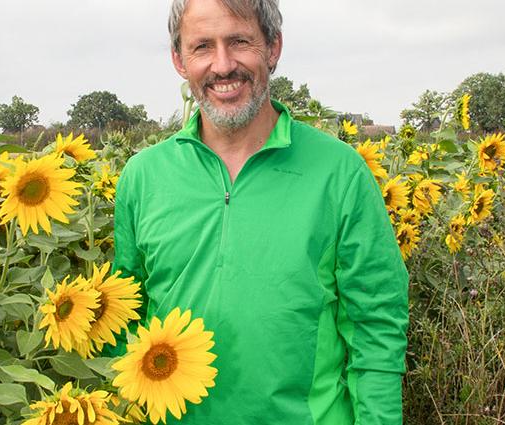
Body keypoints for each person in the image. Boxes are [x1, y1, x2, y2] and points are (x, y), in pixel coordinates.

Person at [112, 0, 409, 423]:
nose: (223, 64)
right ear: (179, 60)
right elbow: (125, 319)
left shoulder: (338, 172)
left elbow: (376, 326)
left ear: (273, 48)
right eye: (202, 47)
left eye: (239, 41)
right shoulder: (143, 178)